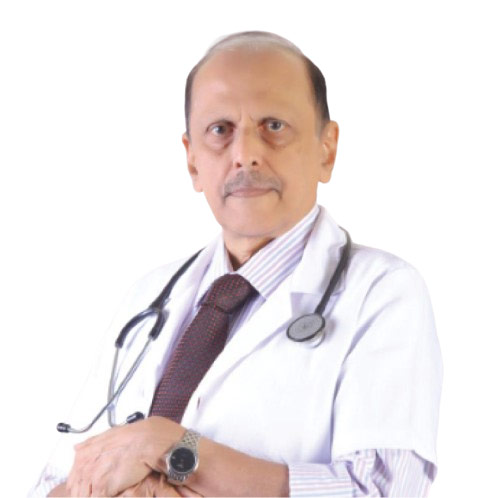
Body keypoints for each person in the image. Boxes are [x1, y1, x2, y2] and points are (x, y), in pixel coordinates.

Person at [33, 31, 442, 497]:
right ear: (192, 160)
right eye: (220, 130)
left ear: (326, 149)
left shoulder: (384, 294)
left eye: (274, 125)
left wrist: (170, 447)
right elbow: (55, 481)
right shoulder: (147, 296)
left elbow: (382, 489)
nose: (245, 154)